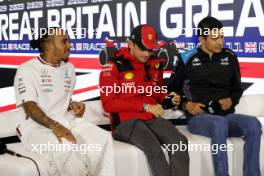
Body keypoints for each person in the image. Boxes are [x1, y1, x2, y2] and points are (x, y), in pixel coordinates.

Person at [14, 27, 115, 176]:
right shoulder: (27, 69)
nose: (69, 45)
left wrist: (73, 106)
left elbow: (61, 101)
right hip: (36, 128)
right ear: (48, 45)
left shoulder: (69, 68)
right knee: (66, 146)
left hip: (66, 121)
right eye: (64, 41)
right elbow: (30, 106)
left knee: (103, 138)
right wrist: (55, 126)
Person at [168, 16, 262, 176]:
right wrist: (186, 104)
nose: (220, 42)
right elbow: (172, 91)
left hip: (226, 117)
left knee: (254, 124)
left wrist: (231, 100)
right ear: (202, 39)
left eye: (222, 36)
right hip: (199, 119)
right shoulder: (187, 58)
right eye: (214, 38)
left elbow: (237, 89)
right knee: (219, 124)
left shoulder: (230, 56)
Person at [99, 24, 189, 176]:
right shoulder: (113, 66)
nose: (147, 53)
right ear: (130, 44)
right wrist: (145, 106)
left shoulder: (155, 64)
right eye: (142, 48)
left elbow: (158, 93)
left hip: (151, 118)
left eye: (150, 49)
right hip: (125, 122)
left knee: (179, 143)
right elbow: (109, 104)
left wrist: (169, 98)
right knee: (154, 149)